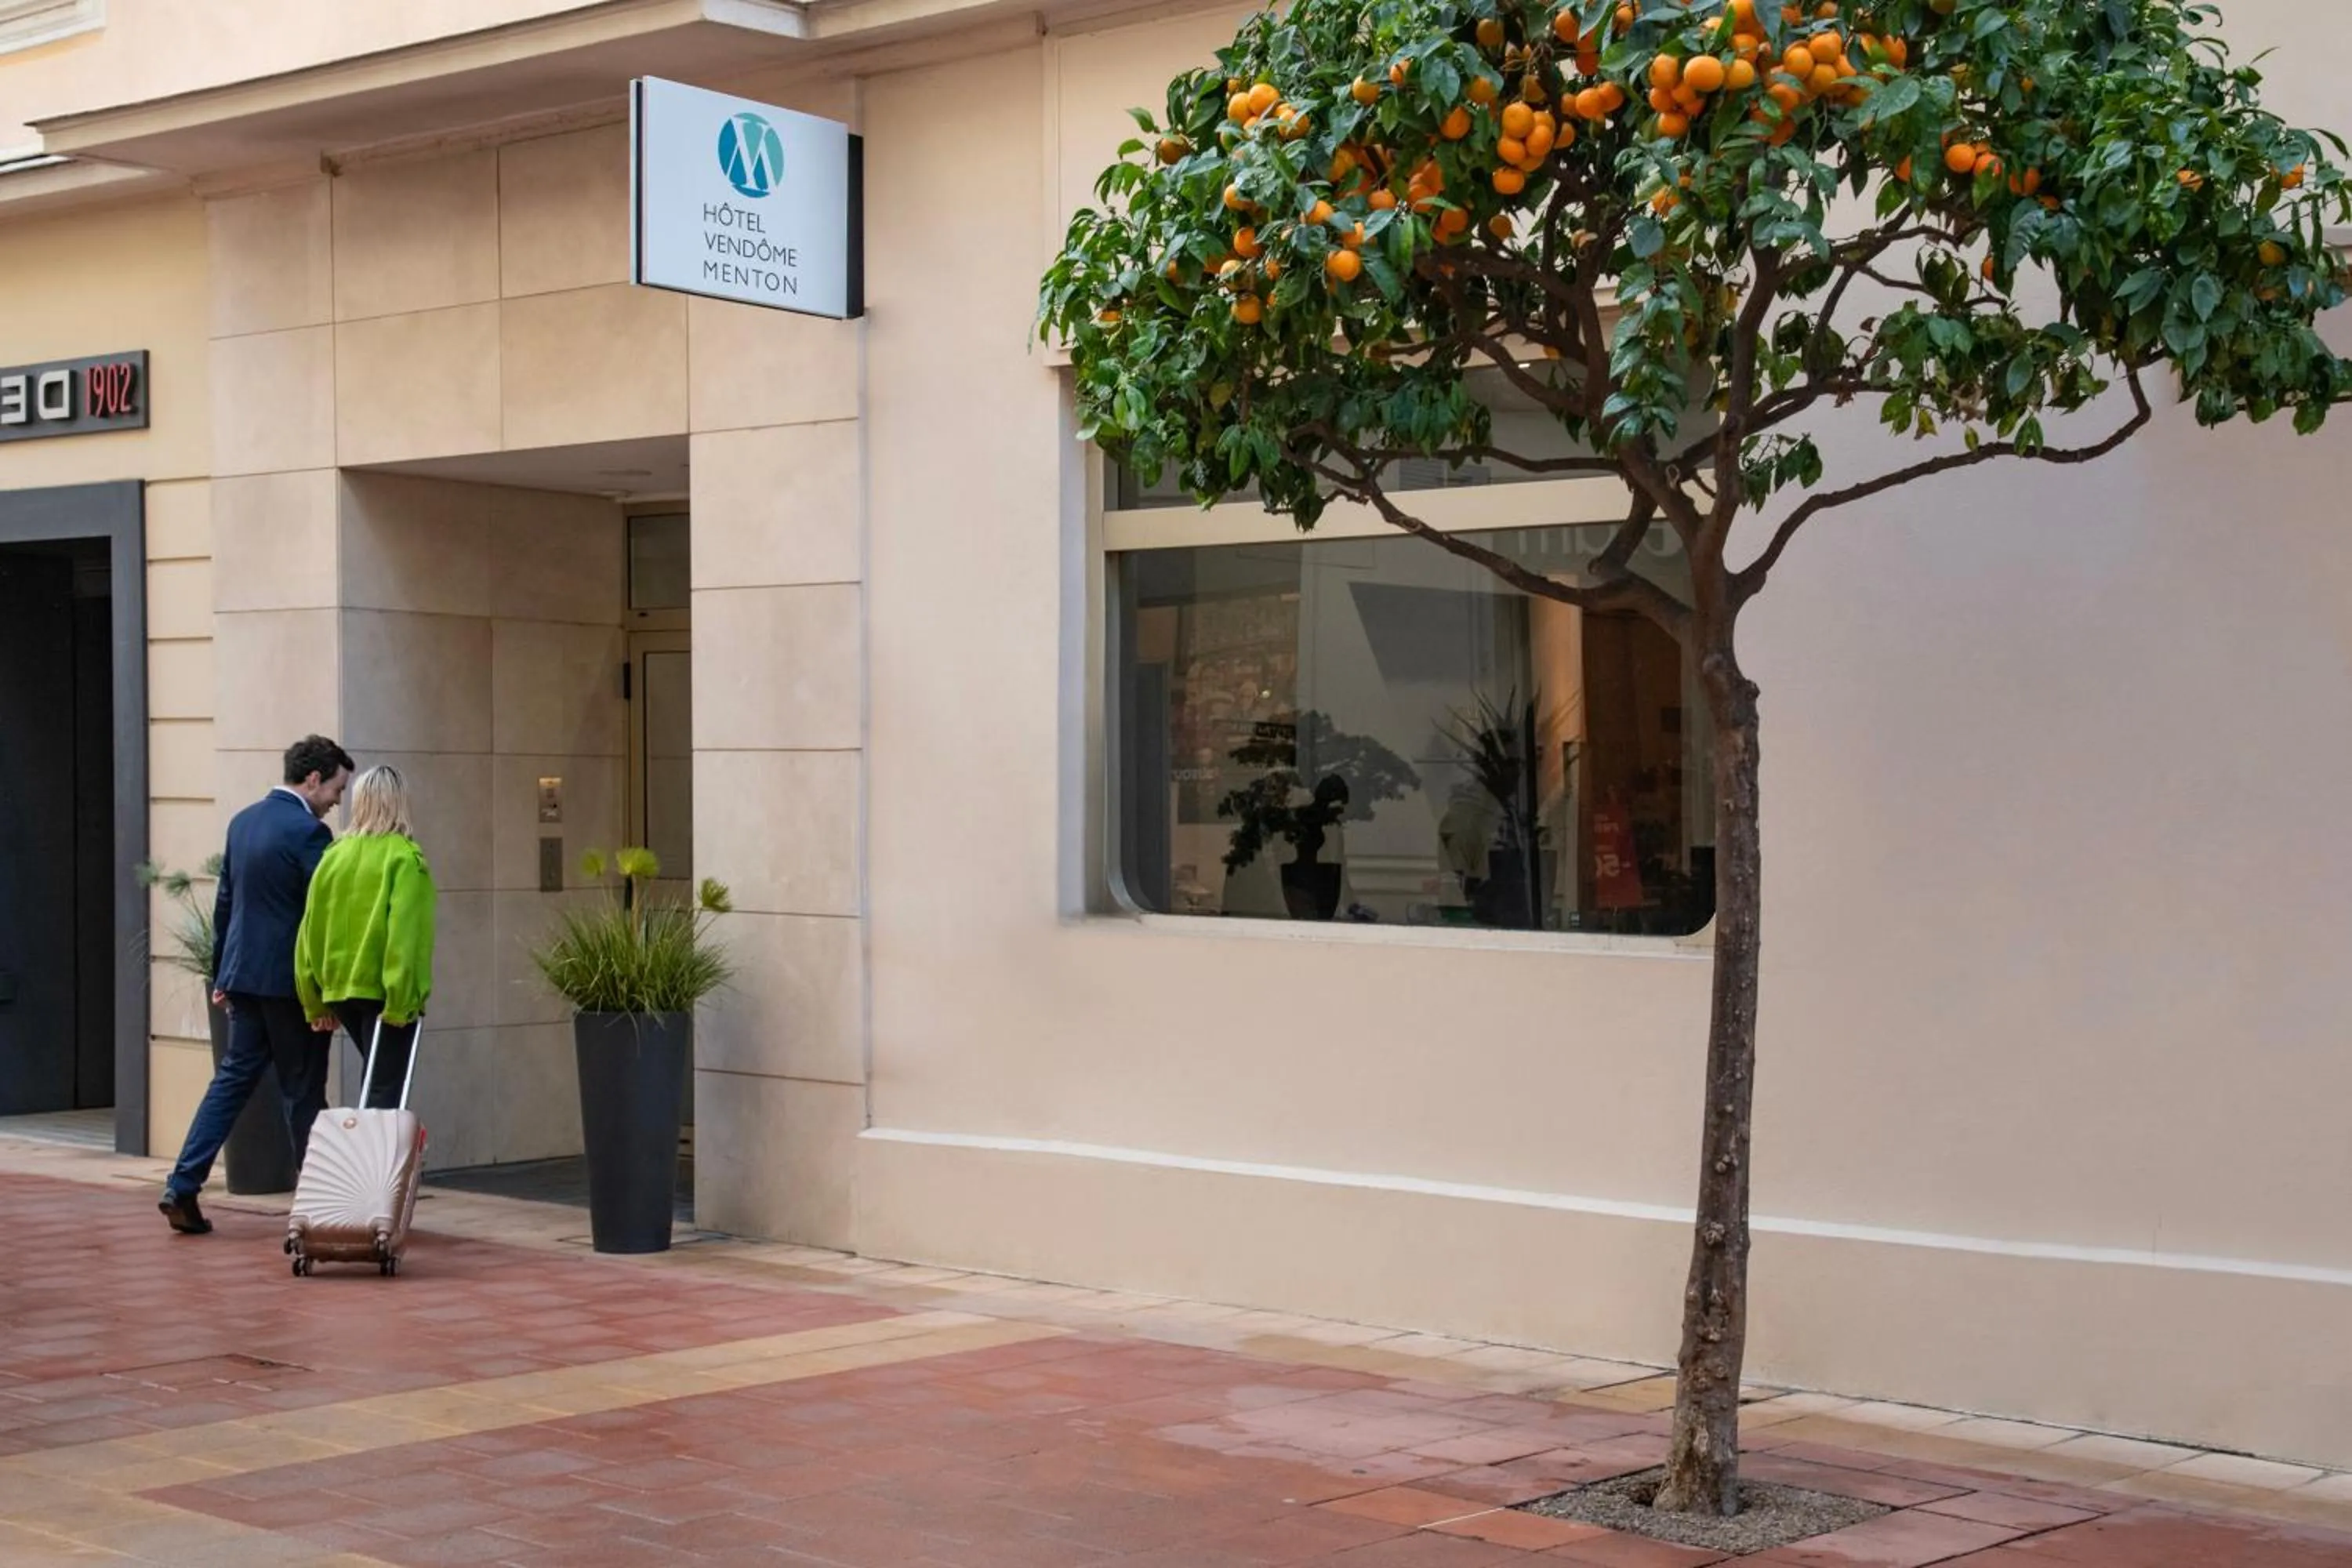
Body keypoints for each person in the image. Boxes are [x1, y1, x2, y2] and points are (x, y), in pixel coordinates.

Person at [159, 735, 354, 1235]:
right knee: (304, 1091)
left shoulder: (242, 822)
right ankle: (321, 1208)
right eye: (336, 788)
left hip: (243, 977)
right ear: (313, 779)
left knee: (230, 1084)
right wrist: (330, 989)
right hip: (291, 987)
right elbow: (324, 919)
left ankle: (182, 1184)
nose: (336, 801)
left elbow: (226, 903)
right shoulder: (309, 834)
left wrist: (223, 973)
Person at [295, 765, 435, 1110]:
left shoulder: (333, 857)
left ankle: (371, 1161)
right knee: (385, 1089)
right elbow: (407, 938)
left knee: (376, 1080)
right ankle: (373, 1164)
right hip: (383, 992)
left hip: (339, 989)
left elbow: (309, 931)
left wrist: (313, 999)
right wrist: (402, 1001)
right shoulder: (405, 857)